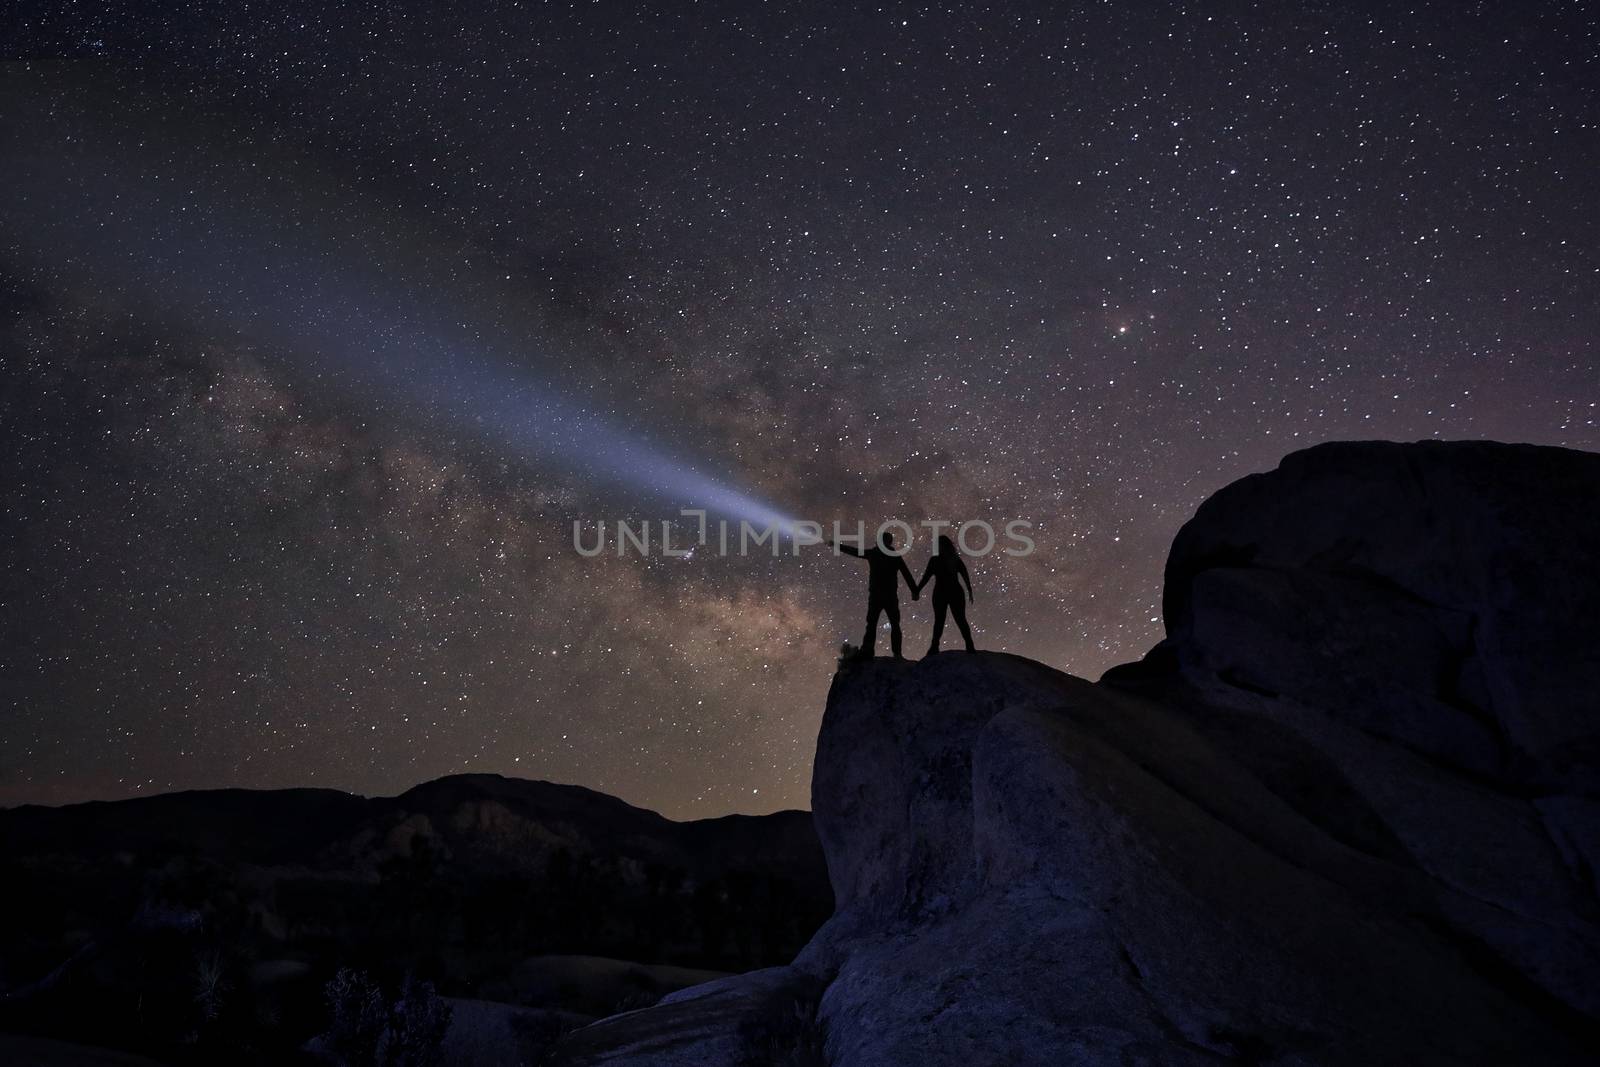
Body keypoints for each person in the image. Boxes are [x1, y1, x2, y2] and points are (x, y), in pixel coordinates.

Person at [830, 530, 919, 659]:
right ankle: (897, 653)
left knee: (872, 624)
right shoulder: (894, 556)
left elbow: (854, 551)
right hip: (889, 596)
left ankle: (868, 650)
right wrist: (914, 590)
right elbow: (907, 574)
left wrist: (836, 545)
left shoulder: (874, 554)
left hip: (877, 595)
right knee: (894, 624)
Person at [914, 535, 975, 654]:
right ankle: (967, 645)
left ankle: (938, 646)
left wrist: (917, 590)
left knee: (949, 620)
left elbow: (926, 577)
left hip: (944, 592)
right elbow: (926, 577)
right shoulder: (951, 559)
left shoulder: (939, 560)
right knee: (951, 620)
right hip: (950, 592)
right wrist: (918, 589)